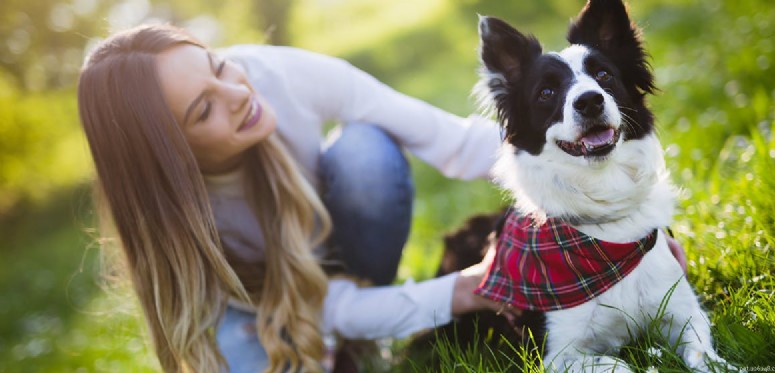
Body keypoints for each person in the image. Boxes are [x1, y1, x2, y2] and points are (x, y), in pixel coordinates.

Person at [77, 23, 515, 373]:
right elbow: (325, 306)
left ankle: (360, 342)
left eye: (218, 66)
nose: (239, 94)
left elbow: (451, 141)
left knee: (365, 154)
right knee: (239, 354)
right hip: (264, 304)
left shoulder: (277, 75)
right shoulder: (182, 222)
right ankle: (338, 350)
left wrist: (568, 151)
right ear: (171, 157)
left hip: (336, 249)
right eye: (204, 109)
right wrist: (458, 291)